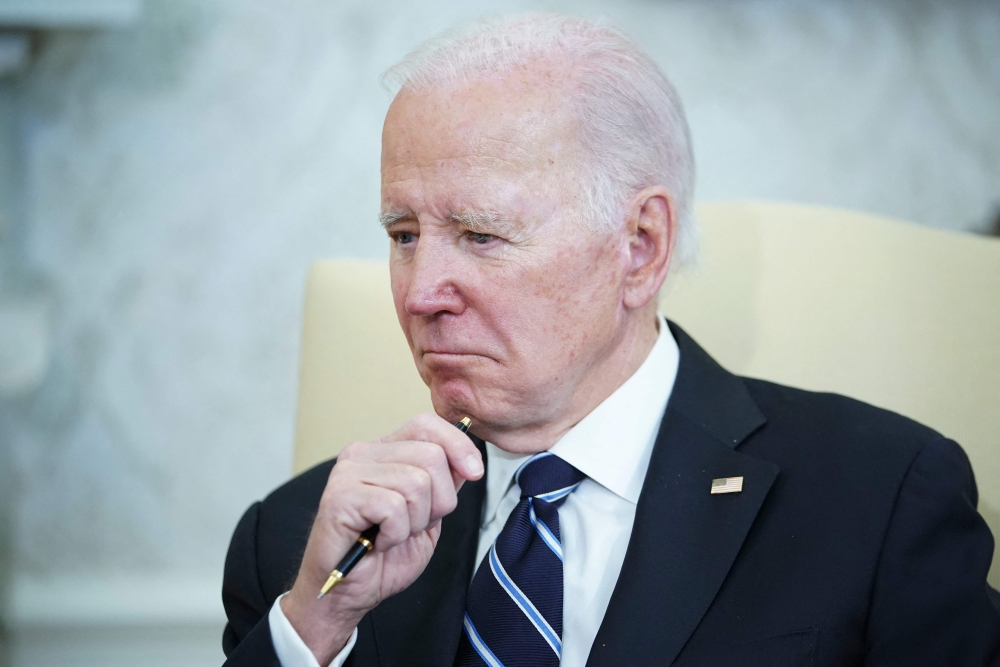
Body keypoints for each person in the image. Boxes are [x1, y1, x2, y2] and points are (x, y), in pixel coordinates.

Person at [221, 13, 1000, 667]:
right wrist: (316, 624)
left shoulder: (877, 500)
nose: (420, 293)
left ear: (640, 246)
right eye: (403, 234)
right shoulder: (300, 547)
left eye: (481, 235)